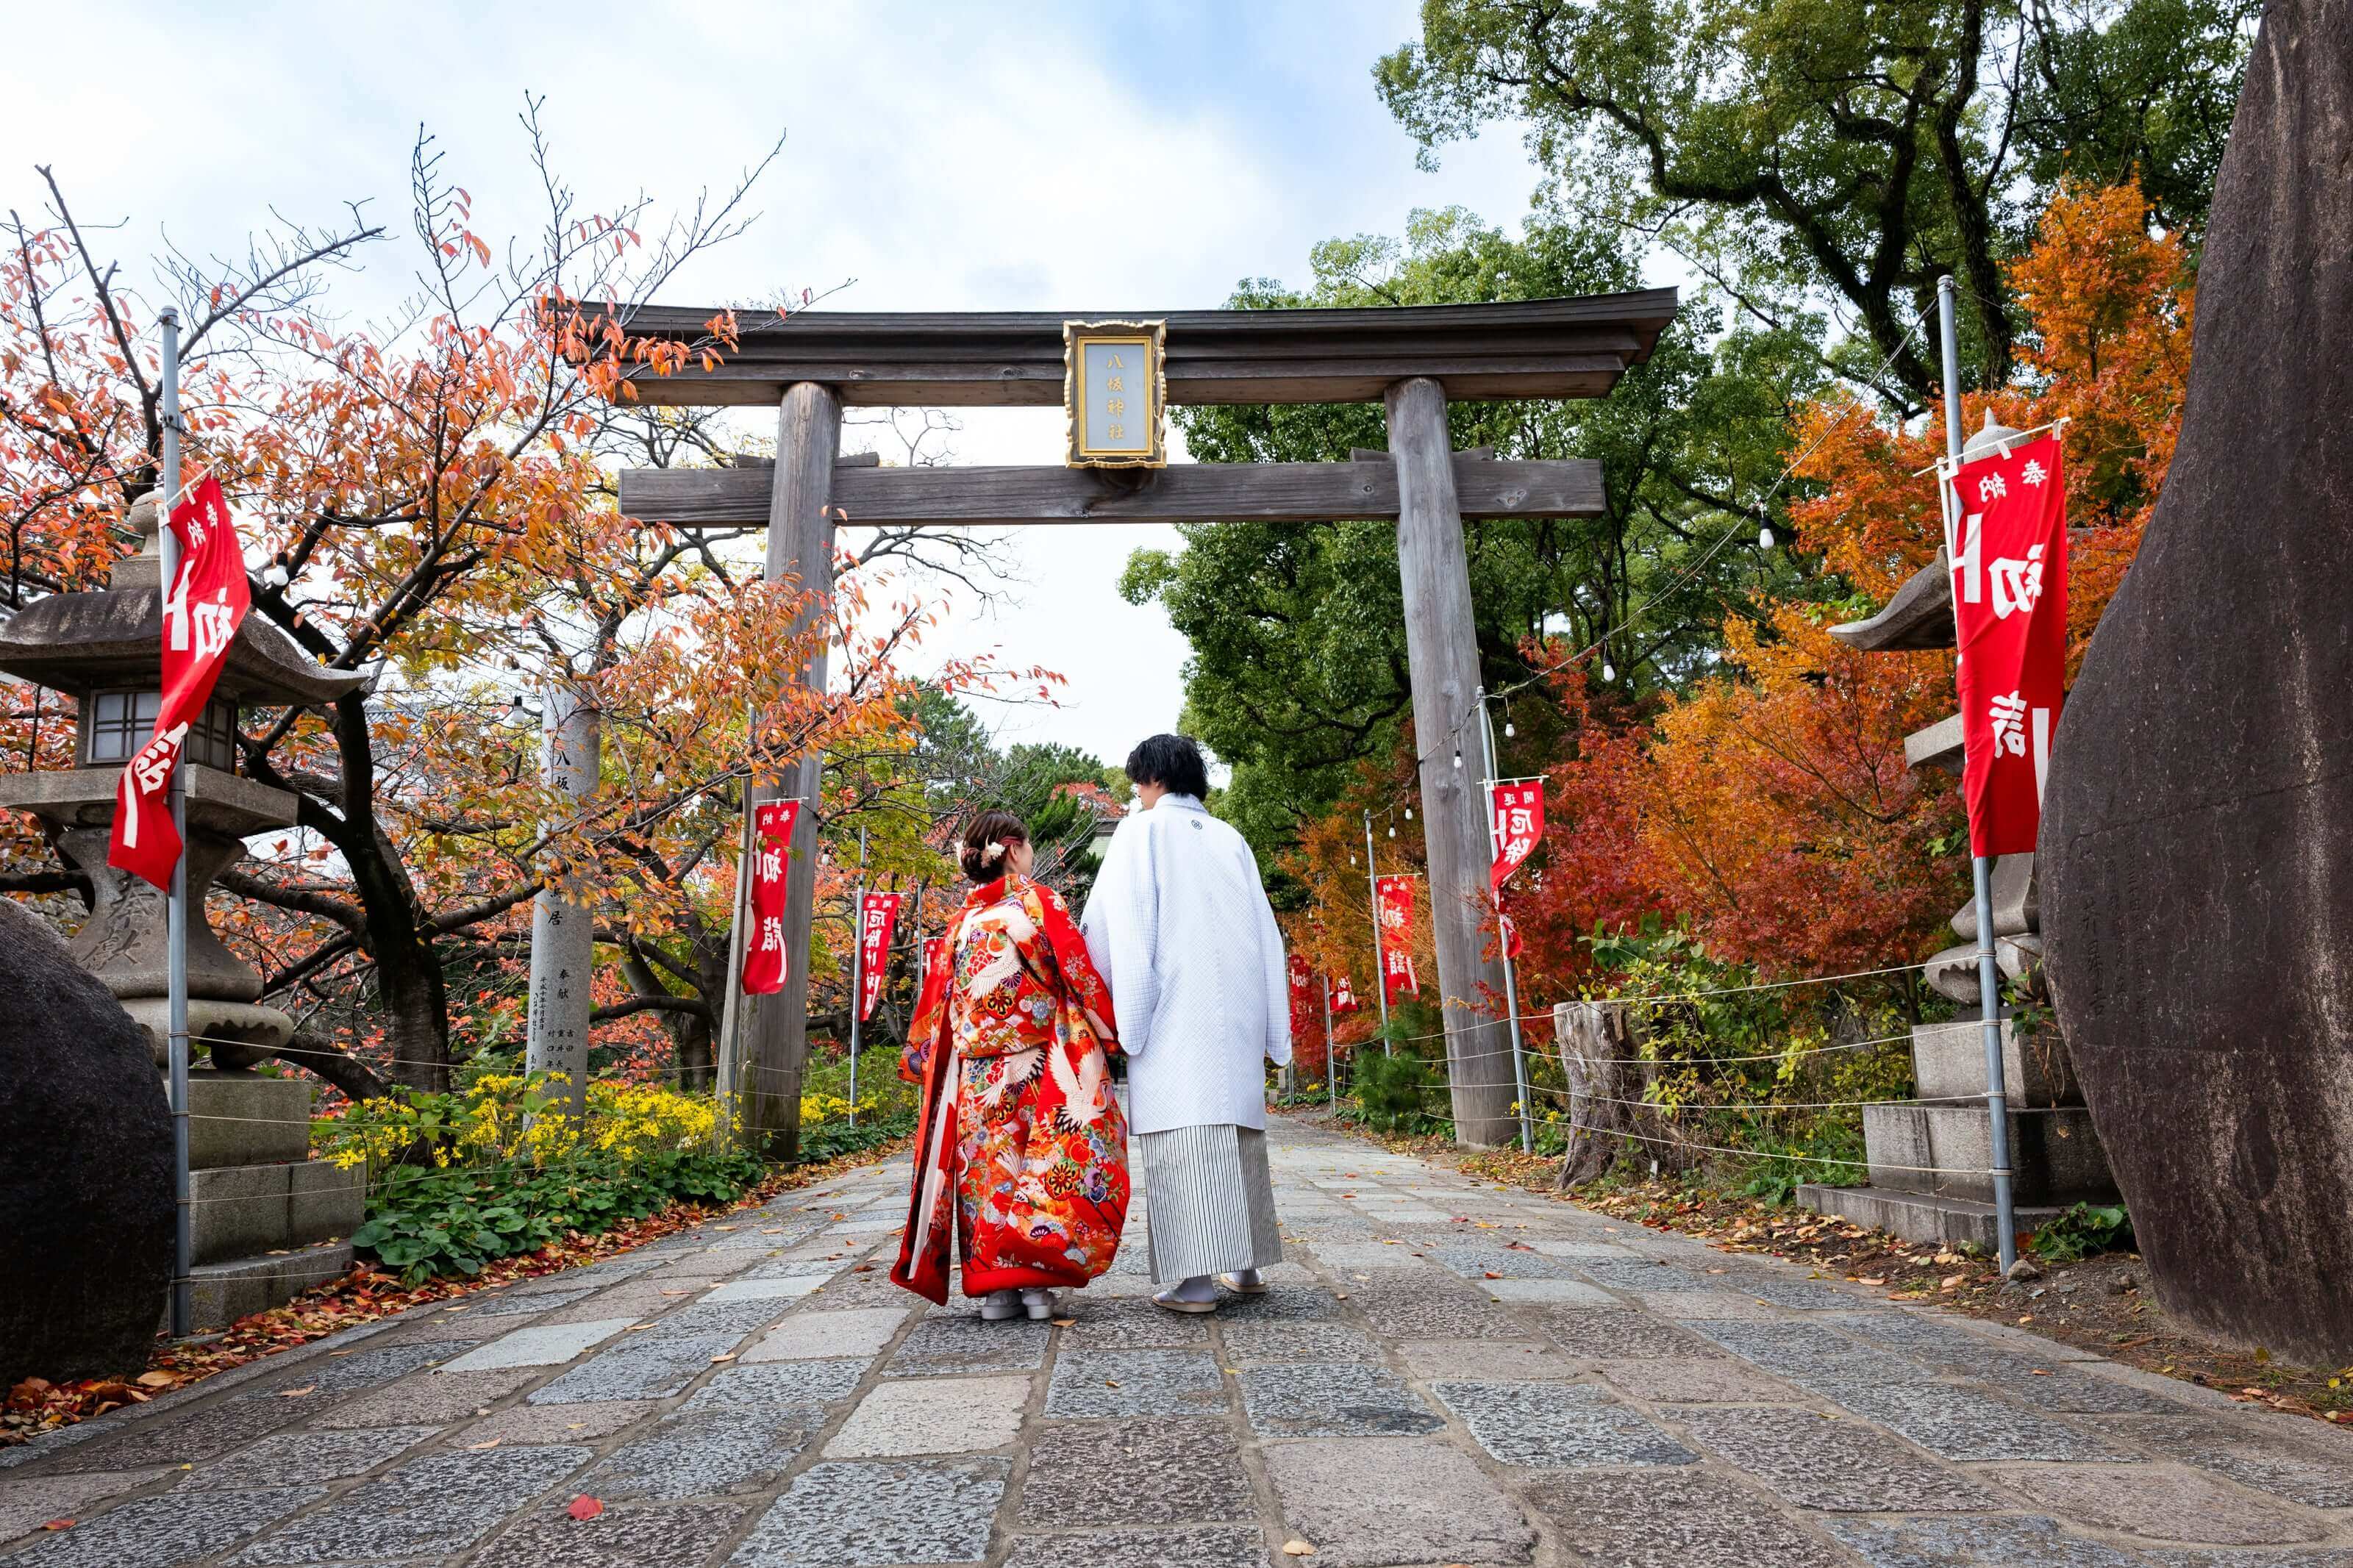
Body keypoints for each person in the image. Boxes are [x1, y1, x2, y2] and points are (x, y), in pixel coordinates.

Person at [889, 811, 1130, 1320]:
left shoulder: (960, 925)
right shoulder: (1040, 904)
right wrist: (1110, 1034)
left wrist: (922, 1061)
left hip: (975, 1076)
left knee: (986, 1173)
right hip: (1038, 1064)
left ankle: (993, 1289)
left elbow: (936, 1007)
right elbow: (1079, 975)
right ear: (1014, 849)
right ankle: (1037, 1287)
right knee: (1038, 1167)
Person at [1081, 734, 1291, 1313]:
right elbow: (1267, 933)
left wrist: (1122, 1010)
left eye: (1137, 783)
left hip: (1175, 1008)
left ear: (1152, 778)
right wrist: (1274, 1027)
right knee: (1236, 1129)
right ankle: (1244, 1266)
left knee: (1186, 1137)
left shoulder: (1141, 832)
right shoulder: (1231, 838)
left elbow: (1117, 924)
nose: (1137, 794)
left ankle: (1195, 1282)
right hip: (1237, 1008)